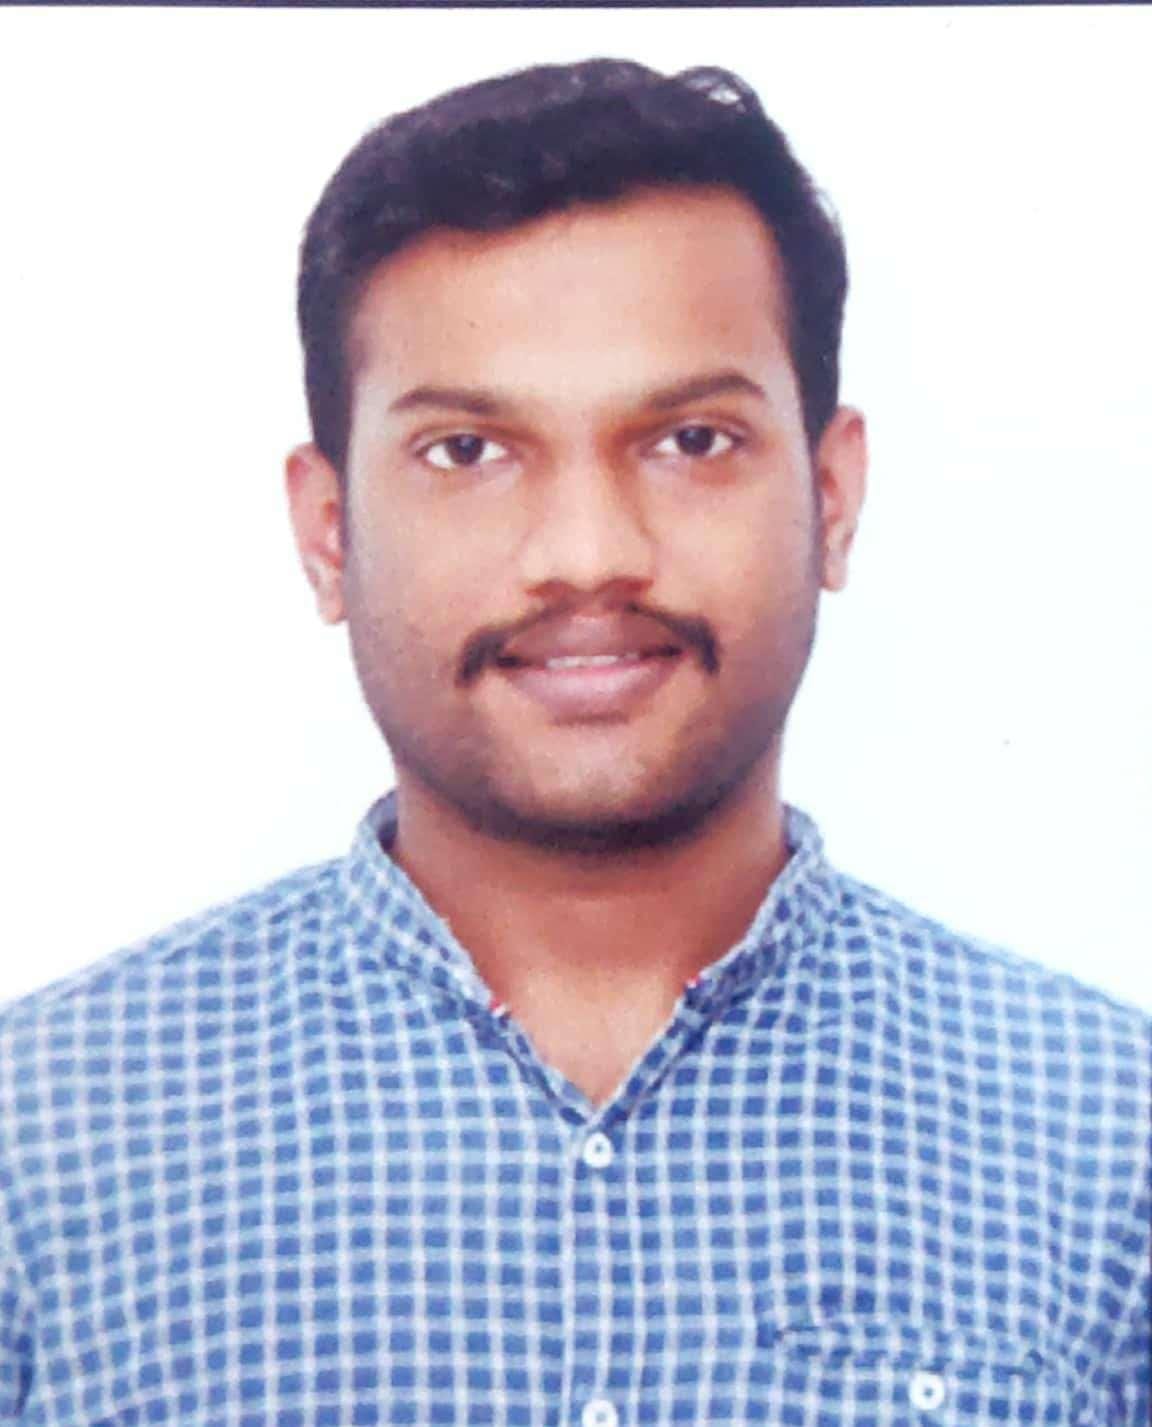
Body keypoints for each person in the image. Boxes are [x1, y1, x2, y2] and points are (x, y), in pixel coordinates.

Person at [0, 57, 1147, 1427]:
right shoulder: (38, 1152)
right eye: (468, 452)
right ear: (328, 534)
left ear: (832, 498)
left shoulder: (1110, 1149)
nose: (590, 553)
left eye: (692, 439)